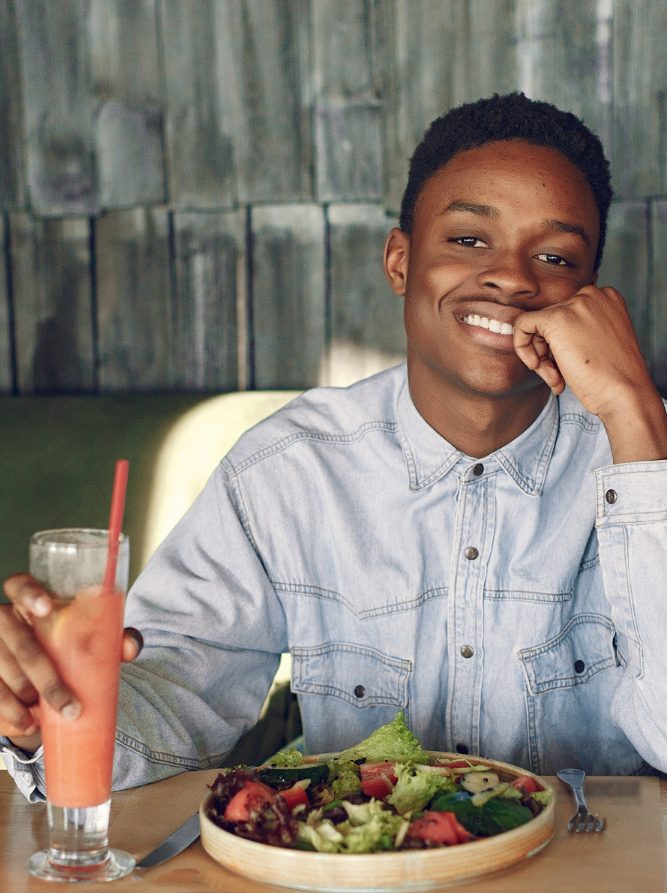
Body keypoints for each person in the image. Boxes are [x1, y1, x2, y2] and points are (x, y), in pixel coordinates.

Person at [2, 92, 667, 800]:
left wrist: (635, 414)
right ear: (399, 262)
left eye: (556, 255)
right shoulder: (288, 470)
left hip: (597, 890)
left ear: (591, 296)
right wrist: (41, 709)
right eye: (468, 239)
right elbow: (172, 697)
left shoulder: (643, 452)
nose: (512, 277)